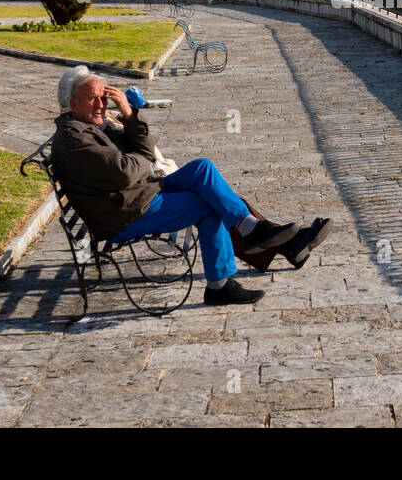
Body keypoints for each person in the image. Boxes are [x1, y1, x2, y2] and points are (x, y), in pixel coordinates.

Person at [49, 65, 332, 305]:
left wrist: (130, 114)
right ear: (72, 104)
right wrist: (144, 159)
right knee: (211, 204)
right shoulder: (76, 138)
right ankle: (222, 283)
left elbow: (142, 149)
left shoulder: (96, 125)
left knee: (203, 169)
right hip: (126, 212)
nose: (101, 105)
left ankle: (259, 232)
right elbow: (126, 170)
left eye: (104, 98)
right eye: (91, 99)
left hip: (140, 193)